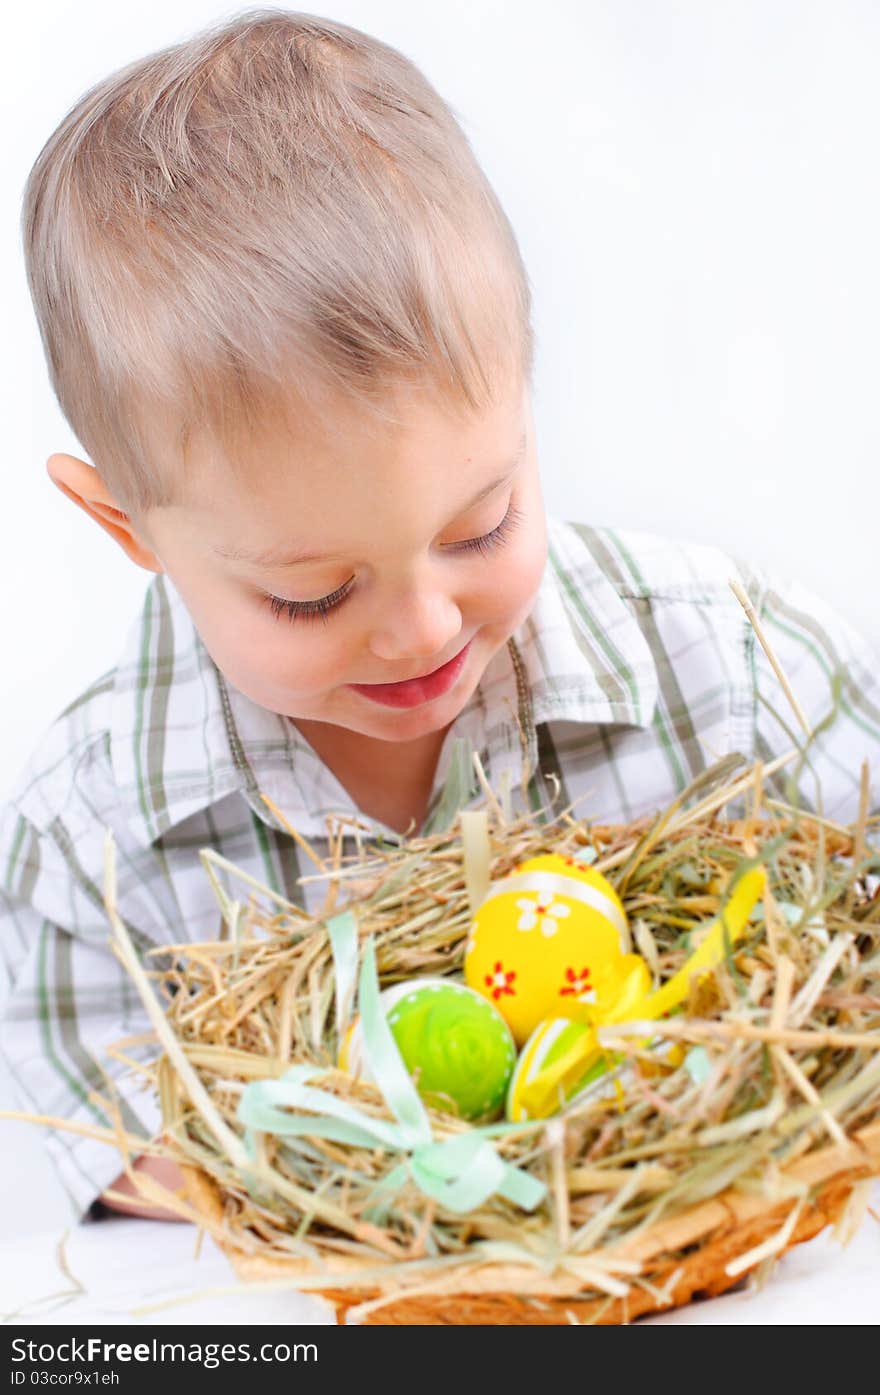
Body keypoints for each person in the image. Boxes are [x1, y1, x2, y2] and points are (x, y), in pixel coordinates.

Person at [2, 9, 878, 1227]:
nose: (420, 630)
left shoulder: (727, 667)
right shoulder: (93, 833)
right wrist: (399, 1191)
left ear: (523, 390)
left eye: (478, 527)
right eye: (310, 593)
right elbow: (93, 1116)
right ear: (127, 531)